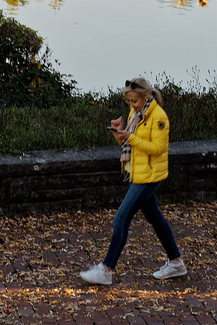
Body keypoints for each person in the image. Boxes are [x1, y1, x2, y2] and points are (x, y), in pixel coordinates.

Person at [80, 77, 186, 286]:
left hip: (148, 177)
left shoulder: (159, 117)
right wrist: (118, 133)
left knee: (121, 219)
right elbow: (130, 142)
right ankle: (176, 263)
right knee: (155, 218)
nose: (131, 105)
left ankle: (106, 270)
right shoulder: (137, 114)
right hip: (136, 174)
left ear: (146, 97)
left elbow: (157, 149)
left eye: (134, 101)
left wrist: (129, 137)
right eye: (129, 102)